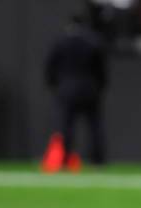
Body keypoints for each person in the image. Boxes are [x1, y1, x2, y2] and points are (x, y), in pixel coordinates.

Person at [45, 14, 108, 168]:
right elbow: (101, 69)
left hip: (67, 89)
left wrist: (55, 85)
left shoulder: (61, 42)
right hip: (90, 89)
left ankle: (66, 159)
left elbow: (50, 67)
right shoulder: (93, 41)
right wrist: (100, 86)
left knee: (66, 126)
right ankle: (97, 160)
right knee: (94, 126)